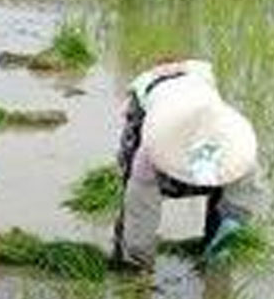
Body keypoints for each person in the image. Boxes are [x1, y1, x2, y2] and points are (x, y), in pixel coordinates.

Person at [113, 59, 266, 270]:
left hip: (204, 125)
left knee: (228, 193)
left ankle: (215, 257)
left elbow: (246, 190)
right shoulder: (152, 146)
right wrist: (140, 260)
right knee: (135, 192)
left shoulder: (233, 144)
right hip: (164, 122)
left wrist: (232, 225)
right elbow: (140, 204)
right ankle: (129, 259)